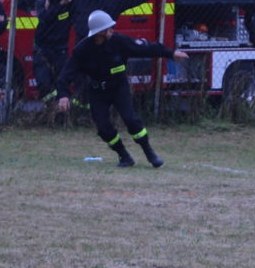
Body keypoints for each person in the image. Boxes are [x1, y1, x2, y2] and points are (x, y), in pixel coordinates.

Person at [56, 9, 186, 167]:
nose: (112, 29)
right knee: (103, 128)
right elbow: (66, 74)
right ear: (100, 32)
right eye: (108, 28)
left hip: (119, 87)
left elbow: (145, 48)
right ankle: (124, 156)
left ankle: (149, 152)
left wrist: (171, 53)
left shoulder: (120, 41)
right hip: (97, 92)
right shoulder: (82, 50)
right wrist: (63, 95)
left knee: (131, 120)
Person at [33, 0, 77, 105]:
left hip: (61, 49)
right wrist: (58, 4)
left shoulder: (69, 2)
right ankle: (50, 108)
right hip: (42, 50)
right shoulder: (41, 2)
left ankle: (62, 111)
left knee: (62, 81)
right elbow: (46, 18)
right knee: (44, 82)